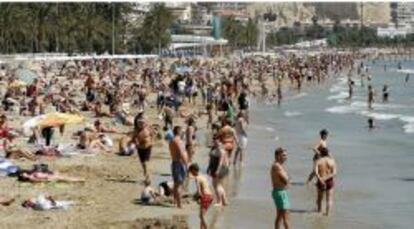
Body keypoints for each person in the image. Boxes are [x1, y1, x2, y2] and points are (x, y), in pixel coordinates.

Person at [189, 163, 214, 229]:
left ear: (194, 170)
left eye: (191, 172)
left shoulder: (197, 178)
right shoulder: (204, 176)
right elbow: (207, 187)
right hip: (210, 196)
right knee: (202, 214)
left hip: (205, 196)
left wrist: (195, 198)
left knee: (201, 216)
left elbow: (199, 192)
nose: (191, 174)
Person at [169, 126, 188, 208]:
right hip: (179, 163)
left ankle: (175, 200)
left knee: (176, 184)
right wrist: (186, 163)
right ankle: (179, 204)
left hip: (175, 162)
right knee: (179, 184)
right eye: (181, 131)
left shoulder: (172, 140)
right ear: (179, 132)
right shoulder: (178, 141)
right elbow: (181, 153)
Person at [271, 147, 290, 229]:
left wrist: (288, 179)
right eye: (284, 155)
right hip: (280, 193)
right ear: (278, 156)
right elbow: (286, 180)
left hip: (279, 192)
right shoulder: (277, 166)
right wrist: (288, 179)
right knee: (286, 217)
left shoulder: (278, 166)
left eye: (286, 155)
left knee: (279, 216)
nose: (286, 157)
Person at [314, 147, 337, 216]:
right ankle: (327, 214)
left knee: (319, 198)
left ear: (320, 153)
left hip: (320, 180)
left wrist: (321, 179)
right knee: (329, 199)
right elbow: (334, 173)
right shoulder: (332, 161)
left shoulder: (318, 161)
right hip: (329, 181)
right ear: (328, 153)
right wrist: (326, 178)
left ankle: (319, 211)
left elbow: (315, 172)